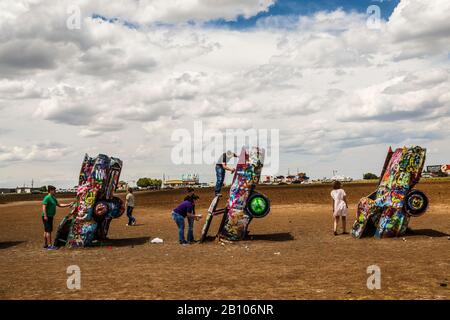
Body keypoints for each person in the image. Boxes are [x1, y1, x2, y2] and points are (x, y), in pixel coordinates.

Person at [42, 185, 72, 250]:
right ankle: (50, 246)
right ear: (50, 191)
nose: (55, 191)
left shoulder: (53, 198)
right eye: (54, 190)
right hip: (47, 216)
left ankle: (45, 244)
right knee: (48, 231)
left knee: (46, 230)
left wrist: (68, 204)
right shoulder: (47, 197)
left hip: (50, 216)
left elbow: (59, 205)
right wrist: (45, 215)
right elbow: (44, 207)